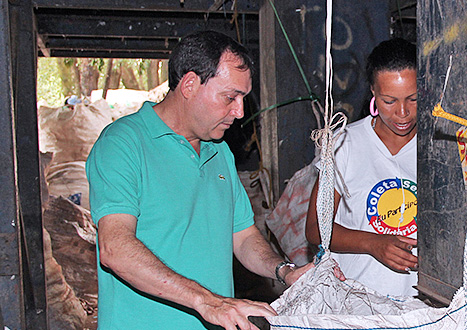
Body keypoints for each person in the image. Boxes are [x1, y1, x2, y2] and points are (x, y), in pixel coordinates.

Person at [86, 31, 313, 330]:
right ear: (190, 84)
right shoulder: (123, 143)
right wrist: (208, 301)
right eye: (230, 97)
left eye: (243, 98)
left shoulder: (218, 151)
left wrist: (284, 271)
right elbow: (115, 248)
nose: (239, 111)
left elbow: (243, 236)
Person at [306, 38, 419, 297]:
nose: (402, 112)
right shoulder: (343, 144)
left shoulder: (438, 149)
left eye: (412, 99)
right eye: (389, 101)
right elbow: (315, 228)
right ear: (373, 93)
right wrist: (372, 243)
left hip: (420, 305)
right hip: (356, 300)